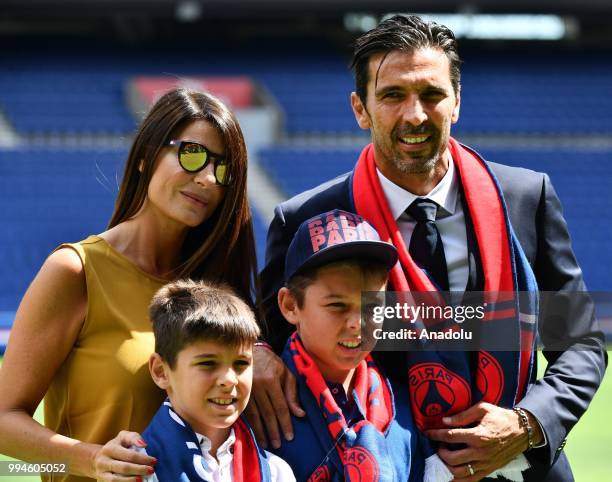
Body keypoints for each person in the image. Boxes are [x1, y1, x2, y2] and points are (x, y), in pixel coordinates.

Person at [254, 15, 607, 481]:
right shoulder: (308, 218)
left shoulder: (524, 197)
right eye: (393, 95)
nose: (415, 114)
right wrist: (256, 349)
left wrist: (527, 423)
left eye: (432, 94)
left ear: (457, 102)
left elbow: (578, 342)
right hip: (390, 467)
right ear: (361, 109)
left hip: (522, 470)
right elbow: (272, 332)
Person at [0, 88, 259, 482]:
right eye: (192, 154)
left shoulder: (217, 289)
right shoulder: (76, 272)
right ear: (144, 157)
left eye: (223, 170)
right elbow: (4, 425)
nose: (207, 178)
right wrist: (89, 460)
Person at [270, 209, 424, 481]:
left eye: (372, 306)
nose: (357, 323)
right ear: (290, 305)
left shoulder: (407, 403)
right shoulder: (259, 404)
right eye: (337, 305)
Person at [138, 279, 294, 481]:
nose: (229, 380)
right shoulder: (133, 467)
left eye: (241, 364)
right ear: (161, 371)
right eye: (208, 363)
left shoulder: (275, 472)